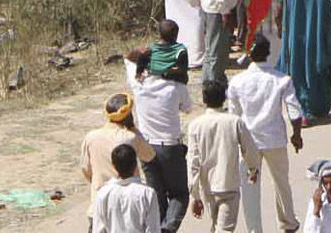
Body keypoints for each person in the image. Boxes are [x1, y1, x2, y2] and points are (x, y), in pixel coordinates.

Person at [225, 36, 304, 233]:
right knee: (281, 182)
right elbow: (294, 111)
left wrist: (234, 143)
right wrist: (297, 135)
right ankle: (287, 222)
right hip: (274, 140)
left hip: (248, 143)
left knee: (250, 186)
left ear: (249, 54)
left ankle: (254, 229)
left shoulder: (237, 82)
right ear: (268, 53)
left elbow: (233, 116)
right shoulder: (282, 79)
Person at [126, 29, 193, 233]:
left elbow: (128, 59)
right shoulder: (175, 87)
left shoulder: (139, 86)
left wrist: (142, 51)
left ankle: (159, 228)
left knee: (157, 198)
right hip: (170, 147)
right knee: (180, 195)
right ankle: (168, 229)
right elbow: (187, 108)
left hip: (146, 148)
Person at [187, 82, 250, 232]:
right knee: (224, 229)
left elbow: (193, 161)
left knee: (217, 226)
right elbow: (250, 150)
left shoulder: (195, 125)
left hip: (208, 187)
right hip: (229, 185)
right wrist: (253, 169)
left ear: (204, 99)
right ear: (224, 98)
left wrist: (194, 195)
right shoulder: (235, 122)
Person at [91, 145, 162, 233]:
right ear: (135, 164)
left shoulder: (103, 193)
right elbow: (153, 229)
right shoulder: (147, 194)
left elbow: (98, 229)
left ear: (114, 166)